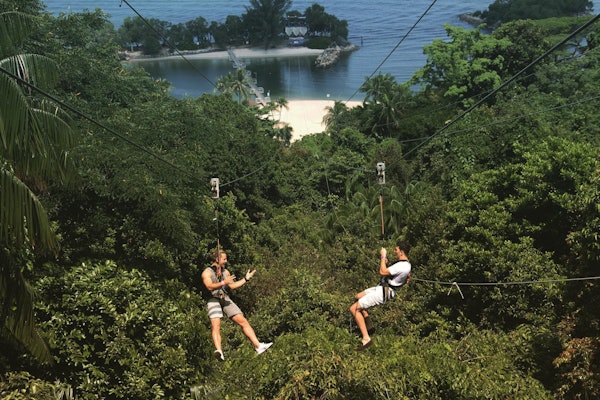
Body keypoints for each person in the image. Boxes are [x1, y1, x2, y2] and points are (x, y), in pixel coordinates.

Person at [202, 248, 272, 361]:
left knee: (242, 320)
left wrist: (245, 279)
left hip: (224, 297)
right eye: (224, 259)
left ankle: (258, 346)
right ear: (217, 259)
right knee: (216, 325)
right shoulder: (207, 272)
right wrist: (223, 282)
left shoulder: (226, 272)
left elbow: (233, 286)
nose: (226, 261)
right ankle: (219, 351)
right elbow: (209, 286)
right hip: (213, 299)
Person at [350, 242, 411, 350]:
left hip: (383, 291)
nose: (395, 252)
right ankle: (369, 325)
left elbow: (382, 272)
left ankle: (366, 339)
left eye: (396, 250)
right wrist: (385, 263)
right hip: (382, 288)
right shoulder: (405, 265)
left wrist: (383, 256)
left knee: (354, 309)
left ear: (401, 252)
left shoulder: (402, 266)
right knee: (358, 297)